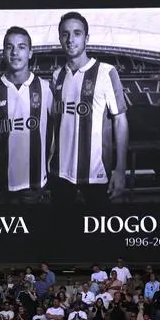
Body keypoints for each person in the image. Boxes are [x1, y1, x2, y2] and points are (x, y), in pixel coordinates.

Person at [50, 12, 130, 208]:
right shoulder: (57, 76)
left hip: (96, 175)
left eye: (77, 33)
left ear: (86, 38)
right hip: (60, 174)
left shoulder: (106, 72)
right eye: (65, 34)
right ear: (60, 39)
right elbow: (55, 124)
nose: (70, 39)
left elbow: (120, 120)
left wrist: (120, 169)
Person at [0, 26, 55, 205]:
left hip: (34, 184)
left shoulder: (45, 89)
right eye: (9, 47)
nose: (15, 52)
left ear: (30, 53)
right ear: (3, 52)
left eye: (21, 47)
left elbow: (55, 131)